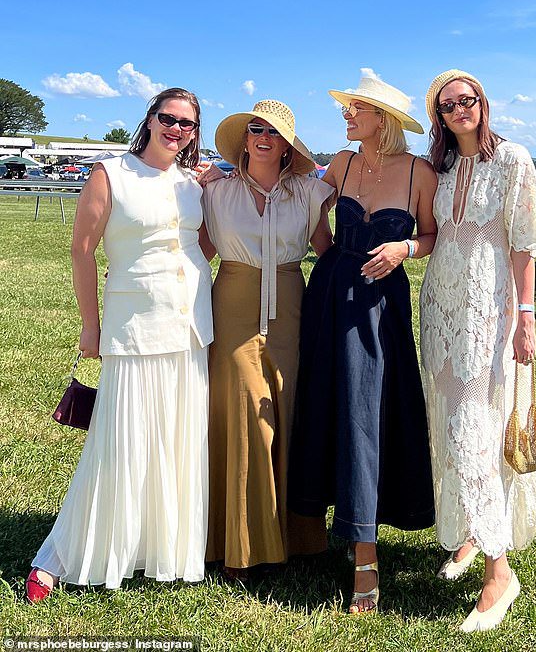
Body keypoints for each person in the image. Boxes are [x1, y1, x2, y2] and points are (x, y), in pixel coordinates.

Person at [26, 88, 213, 602]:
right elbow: (82, 250)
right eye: (168, 118)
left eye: (187, 124)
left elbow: (202, 243)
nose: (177, 129)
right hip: (133, 325)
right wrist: (91, 324)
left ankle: (162, 547)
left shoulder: (192, 183)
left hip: (192, 329)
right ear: (150, 119)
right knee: (120, 442)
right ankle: (67, 553)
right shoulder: (112, 173)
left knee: (178, 440)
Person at [288, 76, 437, 614]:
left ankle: (367, 556)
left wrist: (402, 247)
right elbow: (306, 203)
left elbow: (432, 236)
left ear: (383, 119)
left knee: (366, 412)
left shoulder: (420, 172)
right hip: (329, 292)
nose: (346, 115)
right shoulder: (340, 163)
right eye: (348, 108)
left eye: (355, 109)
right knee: (326, 403)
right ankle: (325, 529)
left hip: (380, 303)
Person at [420, 69, 536, 632]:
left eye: (466, 101)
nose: (459, 110)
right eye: (448, 106)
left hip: (489, 311)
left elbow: (525, 242)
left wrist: (526, 314)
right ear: (439, 117)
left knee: (477, 428)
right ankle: (471, 534)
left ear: (483, 103)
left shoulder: (513, 159)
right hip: (439, 309)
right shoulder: (441, 168)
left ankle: (500, 572)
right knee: (448, 426)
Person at [200, 100, 334, 578]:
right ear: (245, 138)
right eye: (255, 128)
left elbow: (327, 249)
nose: (262, 136)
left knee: (288, 409)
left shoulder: (308, 194)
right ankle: (237, 541)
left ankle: (295, 537)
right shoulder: (214, 191)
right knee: (243, 414)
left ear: (286, 146)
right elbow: (197, 251)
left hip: (291, 309)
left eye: (273, 132)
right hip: (232, 305)